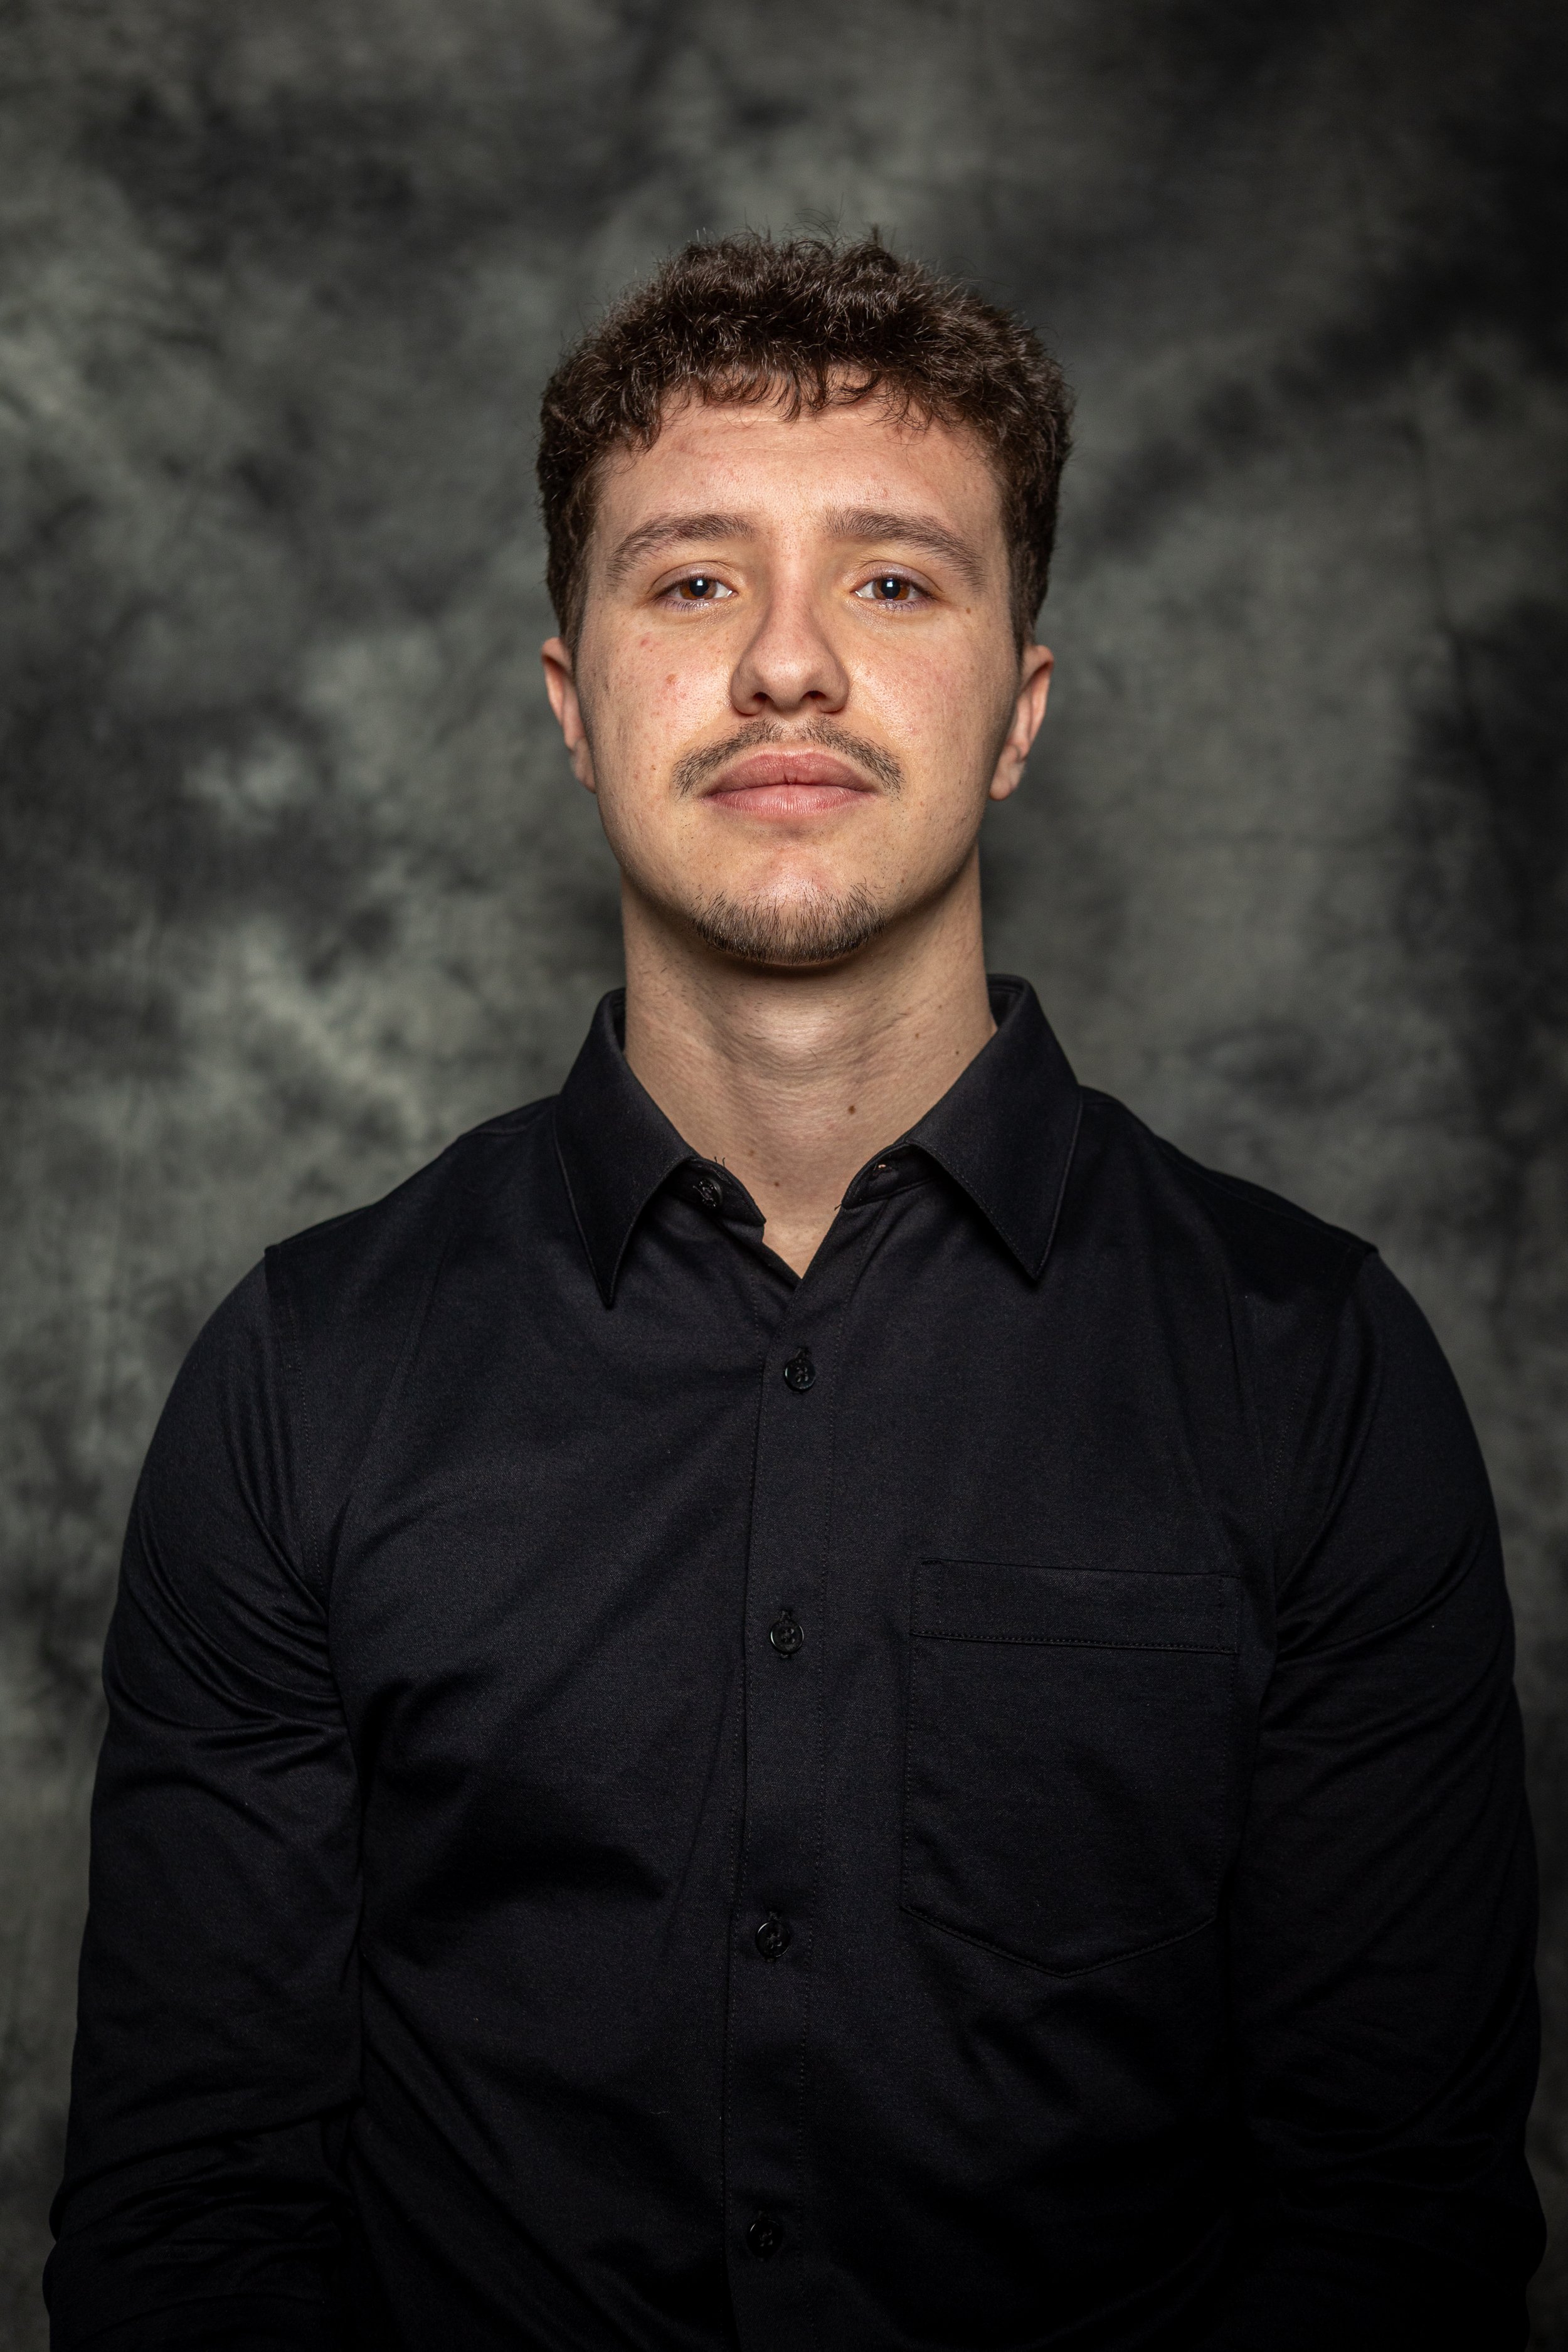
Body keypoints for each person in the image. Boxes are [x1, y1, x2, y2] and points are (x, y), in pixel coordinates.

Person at [48, 233, 1543, 2351]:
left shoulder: (1310, 1371)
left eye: (892, 580)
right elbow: (190, 2219)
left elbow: (1393, 2223)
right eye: (688, 580)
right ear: (573, 705)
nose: (783, 668)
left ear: (1018, 712)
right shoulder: (308, 1371)